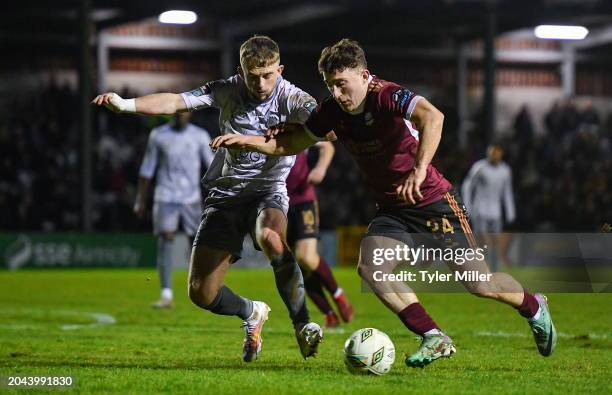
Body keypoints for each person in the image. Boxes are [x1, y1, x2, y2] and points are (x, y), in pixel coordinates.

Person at [210, 38, 557, 368]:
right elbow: (291, 143)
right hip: (393, 210)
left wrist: (419, 170)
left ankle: (533, 306)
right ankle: (433, 335)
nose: (337, 93)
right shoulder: (332, 111)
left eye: (343, 83)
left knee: (479, 284)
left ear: (364, 75)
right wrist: (248, 141)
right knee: (371, 269)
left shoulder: (387, 95)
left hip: (434, 202)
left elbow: (433, 117)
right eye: (331, 84)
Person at [92, 35, 323, 362]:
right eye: (252, 75)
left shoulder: (294, 98)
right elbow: (174, 101)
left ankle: (303, 325)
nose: (260, 83)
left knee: (271, 237)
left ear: (280, 69)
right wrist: (125, 104)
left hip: (267, 191)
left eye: (268, 74)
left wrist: (281, 131)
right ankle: (252, 311)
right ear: (240, 72)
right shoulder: (226, 89)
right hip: (225, 196)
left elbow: (325, 126)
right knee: (201, 293)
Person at [135, 112, 214, 309]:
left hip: (191, 198)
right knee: (166, 239)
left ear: (190, 113)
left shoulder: (200, 136)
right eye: (177, 111)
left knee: (195, 242)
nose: (180, 114)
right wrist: (140, 200)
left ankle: (202, 288)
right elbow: (147, 169)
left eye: (184, 110)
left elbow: (212, 167)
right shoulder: (158, 135)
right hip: (165, 196)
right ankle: (166, 294)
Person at [286, 142, 354, 328]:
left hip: (302, 200)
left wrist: (320, 168)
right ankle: (329, 314)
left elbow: (327, 146)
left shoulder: (295, 117)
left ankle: (338, 294)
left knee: (306, 256)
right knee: (299, 267)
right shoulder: (262, 124)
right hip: (276, 203)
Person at [461, 144, 516, 270]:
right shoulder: (479, 167)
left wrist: (510, 212)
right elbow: (467, 186)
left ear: (501, 154)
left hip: (496, 212)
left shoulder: (505, 170)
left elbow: (507, 192)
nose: (494, 156)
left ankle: (494, 268)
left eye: (496, 153)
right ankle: (481, 268)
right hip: (480, 211)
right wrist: (467, 207)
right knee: (482, 241)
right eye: (491, 153)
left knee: (496, 241)